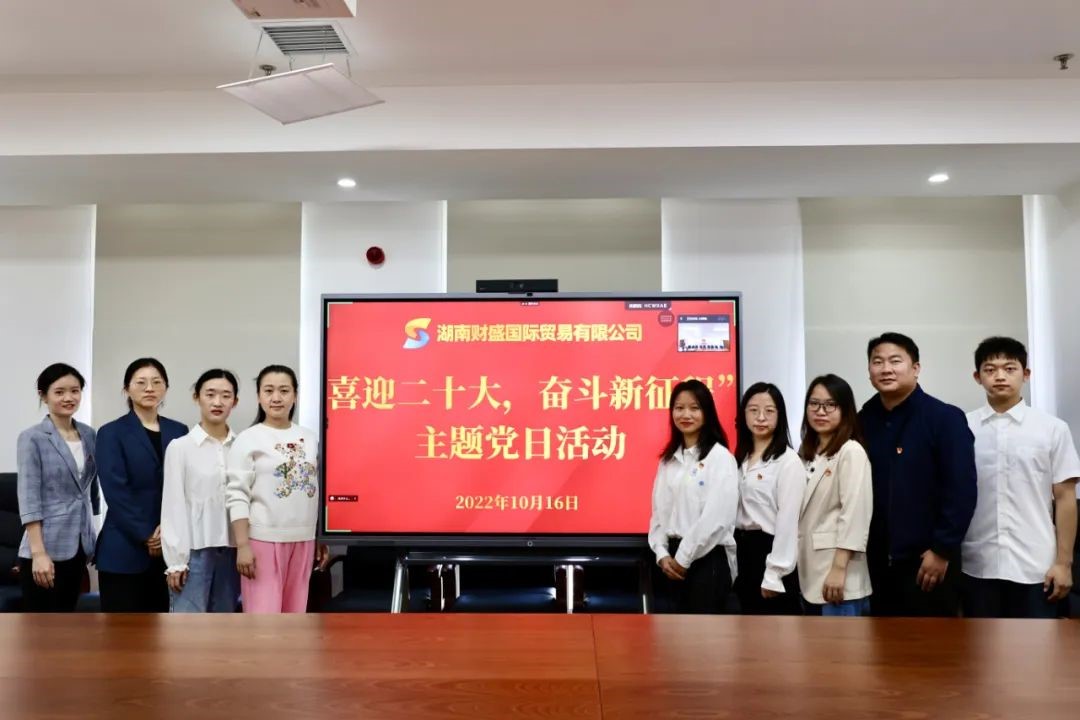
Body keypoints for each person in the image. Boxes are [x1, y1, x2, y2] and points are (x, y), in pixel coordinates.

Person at [859, 332, 977, 617]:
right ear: (869, 371)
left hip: (928, 562)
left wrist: (942, 549)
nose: (886, 369)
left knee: (932, 653)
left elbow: (961, 489)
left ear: (916, 368)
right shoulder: (863, 420)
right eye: (878, 362)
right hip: (872, 563)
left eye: (895, 361)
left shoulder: (944, 418)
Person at [961, 337, 1079, 618]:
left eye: (1010, 368)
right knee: (980, 656)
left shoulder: (1052, 429)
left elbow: (1065, 499)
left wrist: (1064, 563)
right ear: (978, 377)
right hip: (977, 564)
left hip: (1036, 565)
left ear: (1026, 374)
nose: (1000, 376)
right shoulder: (962, 427)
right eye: (990, 369)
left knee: (1037, 655)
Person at [227, 365, 330, 613]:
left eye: (284, 391)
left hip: (304, 540)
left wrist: (319, 537)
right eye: (269, 390)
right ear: (259, 396)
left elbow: (317, 490)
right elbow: (237, 493)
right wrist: (242, 545)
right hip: (262, 541)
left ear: (295, 395)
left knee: (295, 619)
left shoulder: (310, 437)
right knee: (264, 622)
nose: (276, 398)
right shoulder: (248, 438)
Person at [96, 358, 187, 612]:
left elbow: (185, 487)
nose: (150, 388)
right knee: (120, 636)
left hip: (169, 551)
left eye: (157, 382)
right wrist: (148, 534)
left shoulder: (179, 431)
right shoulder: (111, 432)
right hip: (124, 548)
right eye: (141, 382)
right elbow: (116, 491)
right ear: (127, 389)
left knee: (161, 637)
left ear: (166, 389)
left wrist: (167, 531)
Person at [648, 378, 739, 614]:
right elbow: (659, 514)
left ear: (707, 412)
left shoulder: (720, 458)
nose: (685, 414)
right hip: (670, 562)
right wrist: (661, 553)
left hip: (707, 560)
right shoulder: (668, 461)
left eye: (694, 408)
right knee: (670, 645)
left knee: (704, 646)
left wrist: (683, 557)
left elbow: (717, 518)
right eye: (679, 408)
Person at [16, 363, 99, 612]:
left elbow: (89, 489)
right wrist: (39, 553)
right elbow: (29, 496)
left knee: (67, 627)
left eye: (75, 391)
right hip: (45, 548)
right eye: (59, 391)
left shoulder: (89, 434)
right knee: (41, 629)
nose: (68, 397)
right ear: (44, 395)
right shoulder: (33, 437)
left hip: (79, 544)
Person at [161, 369, 243, 613]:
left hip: (233, 552)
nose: (218, 402)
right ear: (197, 397)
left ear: (235, 402)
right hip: (193, 554)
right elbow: (173, 504)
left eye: (226, 396)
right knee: (187, 633)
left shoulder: (243, 447)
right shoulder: (181, 447)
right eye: (210, 394)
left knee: (224, 632)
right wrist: (176, 561)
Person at [797, 375, 874, 616]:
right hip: (808, 571)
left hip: (839, 574)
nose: (820, 411)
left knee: (840, 653)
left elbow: (855, 514)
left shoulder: (851, 451)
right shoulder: (806, 452)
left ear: (845, 410)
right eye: (814, 403)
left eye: (830, 405)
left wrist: (839, 568)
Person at [732, 382, 804, 614]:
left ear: (780, 416)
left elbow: (788, 521)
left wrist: (775, 573)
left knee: (775, 639)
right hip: (741, 551)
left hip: (770, 552)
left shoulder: (788, 461)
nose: (760, 417)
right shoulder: (738, 458)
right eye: (753, 410)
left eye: (769, 411)